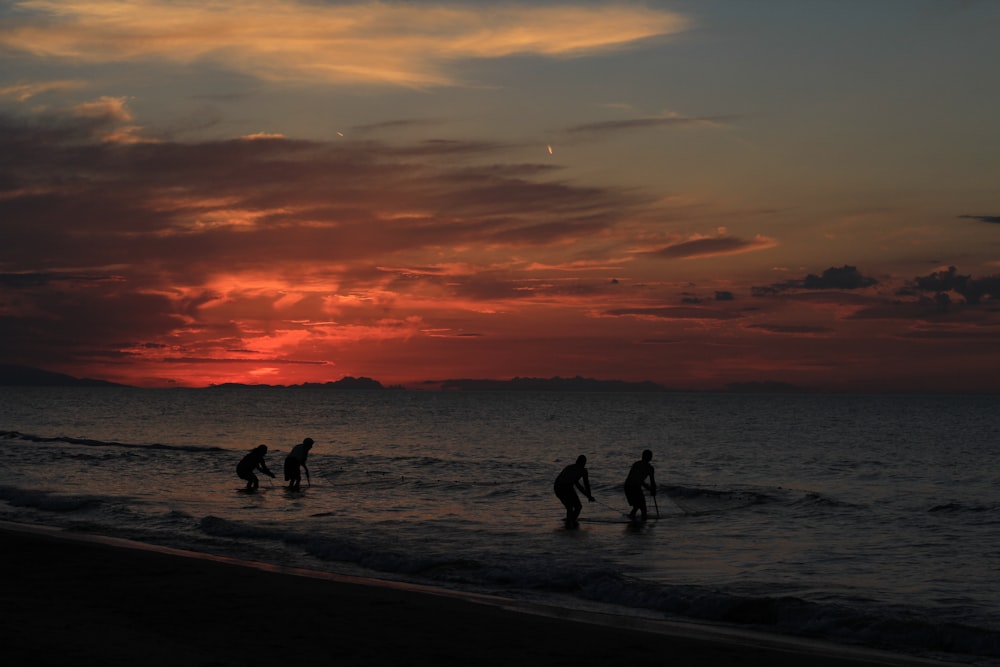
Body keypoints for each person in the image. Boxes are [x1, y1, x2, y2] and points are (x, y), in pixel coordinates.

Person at [553, 455, 594, 527]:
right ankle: (570, 523)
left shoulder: (569, 467)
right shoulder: (583, 471)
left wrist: (589, 496)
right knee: (577, 507)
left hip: (557, 487)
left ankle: (570, 522)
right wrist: (589, 496)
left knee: (570, 507)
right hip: (563, 487)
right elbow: (585, 485)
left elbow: (579, 486)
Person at [624, 449, 657, 521]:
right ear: (650, 458)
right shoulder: (650, 468)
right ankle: (642, 524)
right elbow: (652, 482)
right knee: (643, 508)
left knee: (636, 506)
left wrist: (649, 488)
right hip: (634, 487)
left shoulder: (636, 464)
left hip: (627, 486)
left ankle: (632, 520)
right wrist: (653, 490)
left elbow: (637, 479)